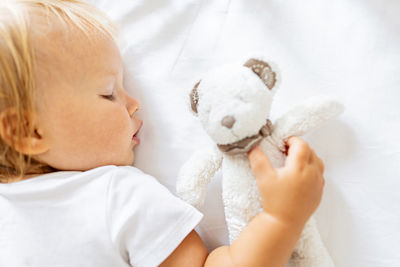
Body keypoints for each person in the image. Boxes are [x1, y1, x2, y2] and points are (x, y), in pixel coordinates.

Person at [0, 1, 325, 266]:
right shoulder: (115, 195)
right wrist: (283, 217)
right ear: (28, 130)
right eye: (109, 93)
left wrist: (280, 220)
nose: (134, 104)